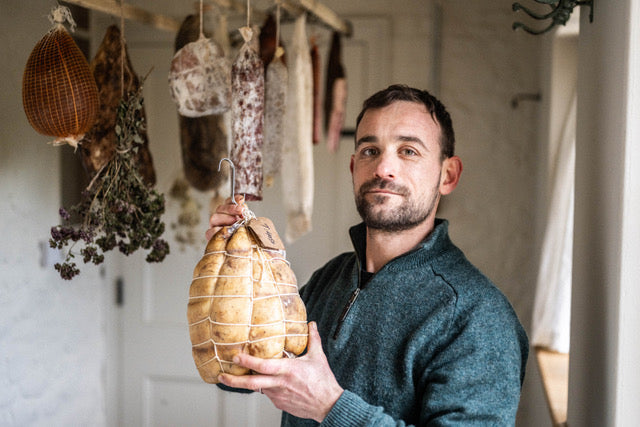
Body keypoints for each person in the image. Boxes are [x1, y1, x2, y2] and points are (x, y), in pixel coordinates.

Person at [206, 84, 529, 425]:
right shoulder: (329, 280)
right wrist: (233, 271)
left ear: (447, 175)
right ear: (352, 166)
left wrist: (330, 407)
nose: (382, 168)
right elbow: (240, 372)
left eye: (408, 151)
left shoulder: (478, 316)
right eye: (370, 151)